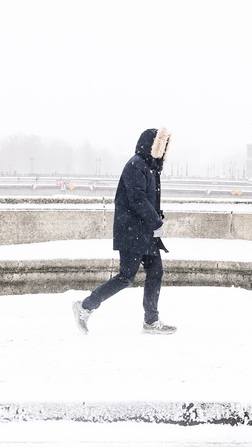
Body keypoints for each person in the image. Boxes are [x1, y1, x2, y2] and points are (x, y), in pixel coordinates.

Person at [73, 127, 176, 335]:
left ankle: (151, 320)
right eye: (161, 145)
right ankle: (85, 307)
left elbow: (148, 200)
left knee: (155, 272)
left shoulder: (151, 167)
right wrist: (156, 222)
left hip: (145, 232)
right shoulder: (135, 165)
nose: (164, 150)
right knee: (125, 277)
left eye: (165, 147)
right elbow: (138, 199)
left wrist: (155, 221)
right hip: (132, 232)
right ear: (152, 146)